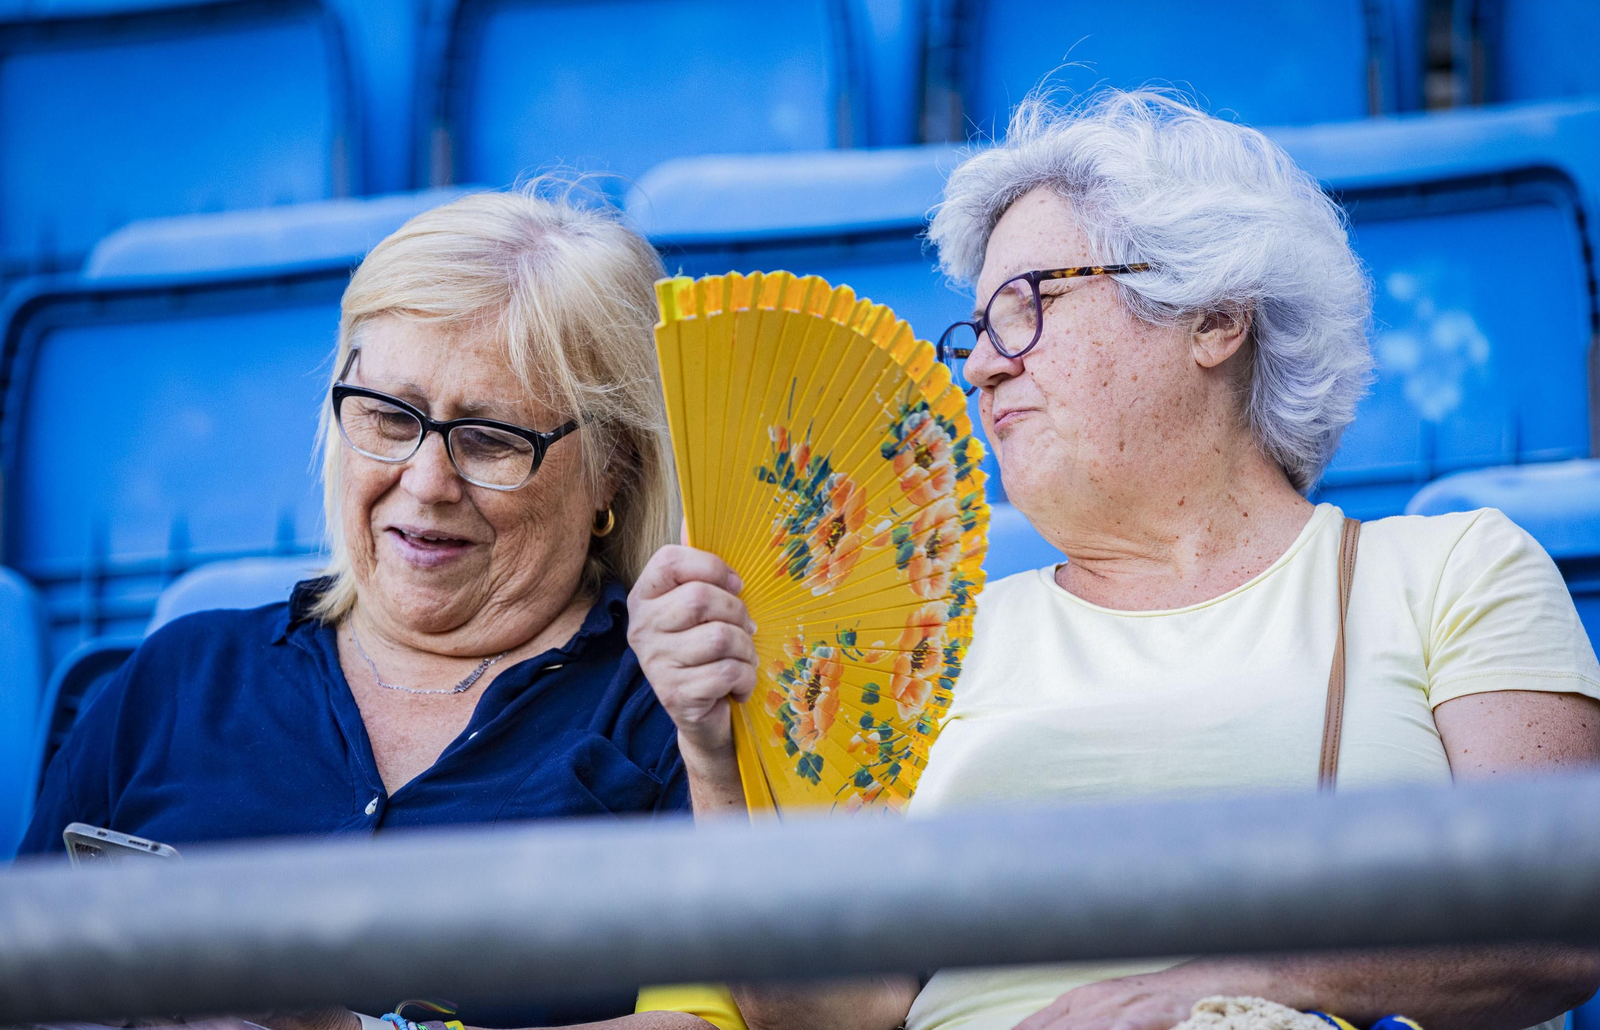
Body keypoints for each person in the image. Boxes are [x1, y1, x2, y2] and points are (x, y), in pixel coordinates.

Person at [626, 90, 1600, 1030]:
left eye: (1026, 304)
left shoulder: (1453, 570)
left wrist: (1210, 992)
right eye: (977, 330)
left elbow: (1558, 926)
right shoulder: (927, 646)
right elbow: (831, 1014)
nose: (981, 365)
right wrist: (714, 760)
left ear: (1214, 316)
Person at [21, 187, 728, 1030]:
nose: (426, 483)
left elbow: (737, 1020)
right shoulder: (179, 678)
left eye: (491, 438)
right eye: (390, 418)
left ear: (613, 469)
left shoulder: (683, 710)